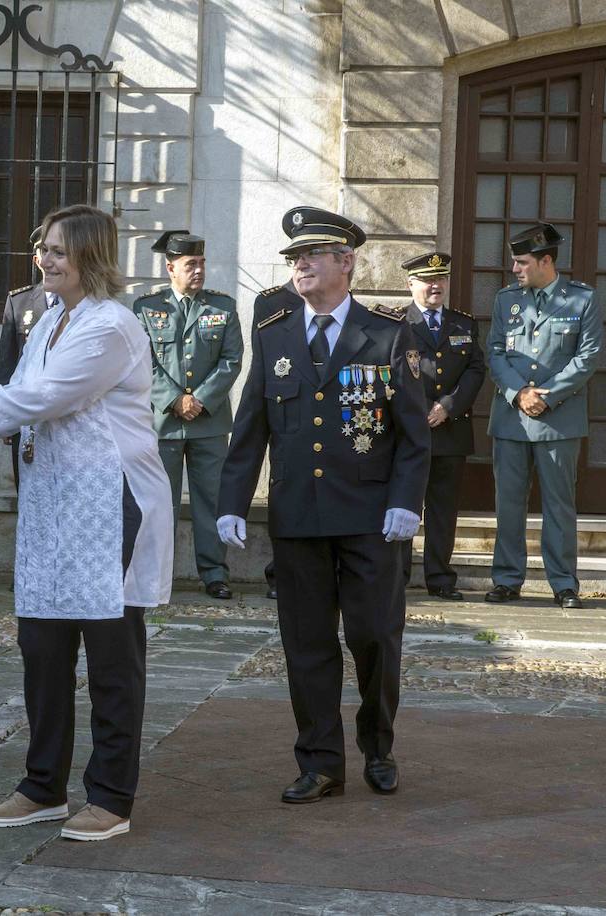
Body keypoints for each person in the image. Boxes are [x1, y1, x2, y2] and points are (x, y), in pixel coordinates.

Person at [0, 204, 173, 842]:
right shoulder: (49, 317)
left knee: (110, 653)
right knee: (42, 647)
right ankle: (42, 783)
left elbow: (49, 397)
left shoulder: (111, 326)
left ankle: (110, 793)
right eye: (42, 248)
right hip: (54, 501)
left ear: (91, 257)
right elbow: (21, 394)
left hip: (109, 500)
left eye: (58, 250)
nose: (45, 260)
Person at [216, 207, 429, 804]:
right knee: (306, 643)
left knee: (373, 635)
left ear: (346, 262)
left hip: (369, 519)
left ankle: (378, 746)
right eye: (293, 258)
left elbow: (414, 434)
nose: (299, 264)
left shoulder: (387, 333)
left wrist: (404, 502)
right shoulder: (276, 326)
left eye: (312, 255)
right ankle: (320, 761)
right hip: (299, 515)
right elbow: (253, 419)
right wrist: (234, 499)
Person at [485, 223, 600, 609]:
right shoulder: (506, 300)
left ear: (545, 261)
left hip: (558, 420)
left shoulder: (582, 300)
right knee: (509, 504)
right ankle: (506, 579)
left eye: (522, 262)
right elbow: (496, 354)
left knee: (559, 505)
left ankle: (564, 583)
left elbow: (586, 359)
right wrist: (520, 393)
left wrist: (545, 399)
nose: (515, 269)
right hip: (512, 419)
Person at [133, 230, 243, 599]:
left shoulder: (222, 308)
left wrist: (200, 399)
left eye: (202, 264)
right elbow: (142, 361)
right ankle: (154, 573)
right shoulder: (147, 308)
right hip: (163, 422)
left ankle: (214, 573)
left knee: (210, 501)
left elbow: (231, 361)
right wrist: (175, 399)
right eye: (190, 265)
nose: (198, 271)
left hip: (209, 423)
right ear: (170, 268)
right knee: (158, 502)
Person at [400, 251, 484, 601]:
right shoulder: (395, 323)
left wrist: (448, 406)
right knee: (403, 506)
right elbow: (389, 372)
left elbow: (476, 370)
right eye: (427, 280)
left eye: (442, 279)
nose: (436, 286)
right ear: (411, 284)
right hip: (408, 432)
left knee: (443, 511)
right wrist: (418, 409)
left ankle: (440, 578)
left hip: (450, 431)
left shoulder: (463, 324)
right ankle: (397, 576)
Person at [252, 279, 303, 600]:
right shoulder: (271, 302)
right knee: (284, 494)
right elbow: (263, 364)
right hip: (285, 410)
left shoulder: (338, 295)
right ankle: (280, 573)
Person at [0, 226, 53, 489]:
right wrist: (5, 419)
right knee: (27, 493)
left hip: (62, 414)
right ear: (36, 260)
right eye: (44, 250)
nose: (50, 258)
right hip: (25, 417)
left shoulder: (80, 304)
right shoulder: (19, 302)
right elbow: (7, 364)